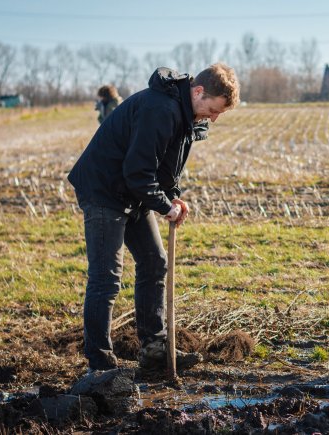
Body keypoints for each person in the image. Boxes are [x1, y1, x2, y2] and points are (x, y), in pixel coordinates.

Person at [68, 63, 240, 373]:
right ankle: (100, 364)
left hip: (131, 192)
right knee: (106, 277)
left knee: (154, 261)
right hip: (105, 189)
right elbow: (138, 172)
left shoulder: (184, 113)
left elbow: (162, 166)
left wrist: (172, 194)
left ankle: (154, 348)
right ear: (198, 92)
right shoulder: (161, 109)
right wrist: (164, 206)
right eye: (213, 110)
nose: (213, 119)